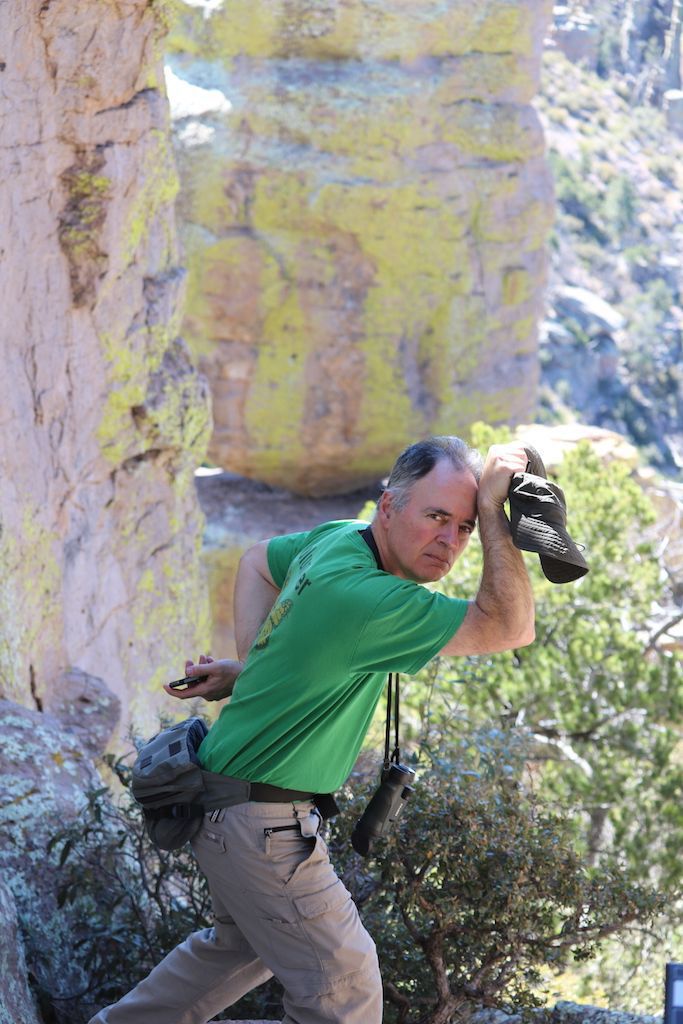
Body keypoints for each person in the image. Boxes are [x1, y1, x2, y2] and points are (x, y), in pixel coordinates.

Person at [88, 437, 535, 1024]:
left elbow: (256, 560)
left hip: (232, 808)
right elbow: (509, 626)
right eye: (436, 517)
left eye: (464, 528)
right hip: (261, 825)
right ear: (388, 506)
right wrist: (496, 520)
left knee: (237, 951)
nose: (449, 542)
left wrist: (257, 672)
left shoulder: (338, 541)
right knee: (345, 988)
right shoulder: (364, 599)